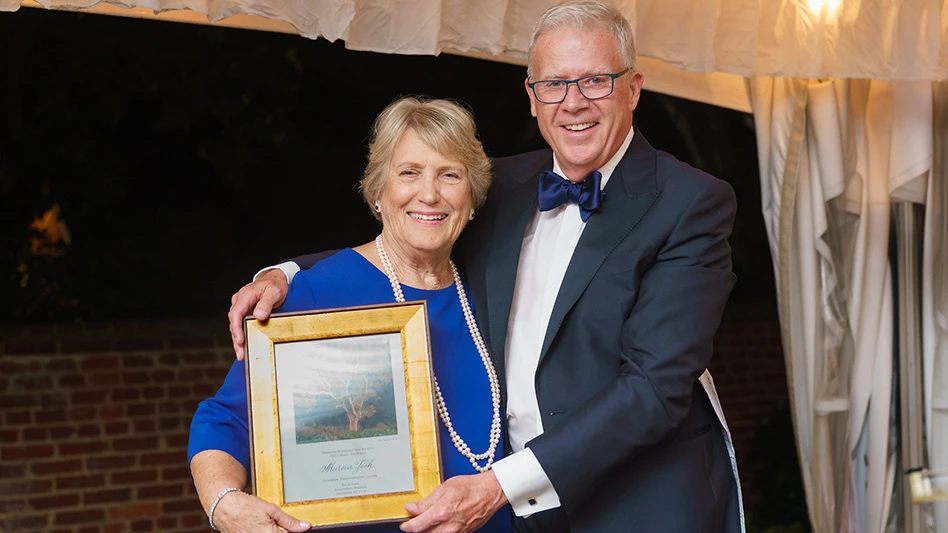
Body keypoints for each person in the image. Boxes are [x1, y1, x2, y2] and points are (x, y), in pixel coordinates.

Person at [227, 2, 745, 532]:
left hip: (643, 503)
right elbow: (416, 228)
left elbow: (654, 388)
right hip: (523, 518)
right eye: (554, 85)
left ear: (633, 88)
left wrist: (500, 484)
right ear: (531, 97)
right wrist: (288, 273)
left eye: (596, 80)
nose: (573, 103)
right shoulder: (505, 185)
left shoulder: (690, 202)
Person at [188, 96, 515, 533]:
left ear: (472, 196)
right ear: (379, 189)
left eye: (450, 175)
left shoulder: (493, 289)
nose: (430, 193)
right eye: (409, 172)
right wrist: (223, 504)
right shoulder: (317, 292)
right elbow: (227, 418)